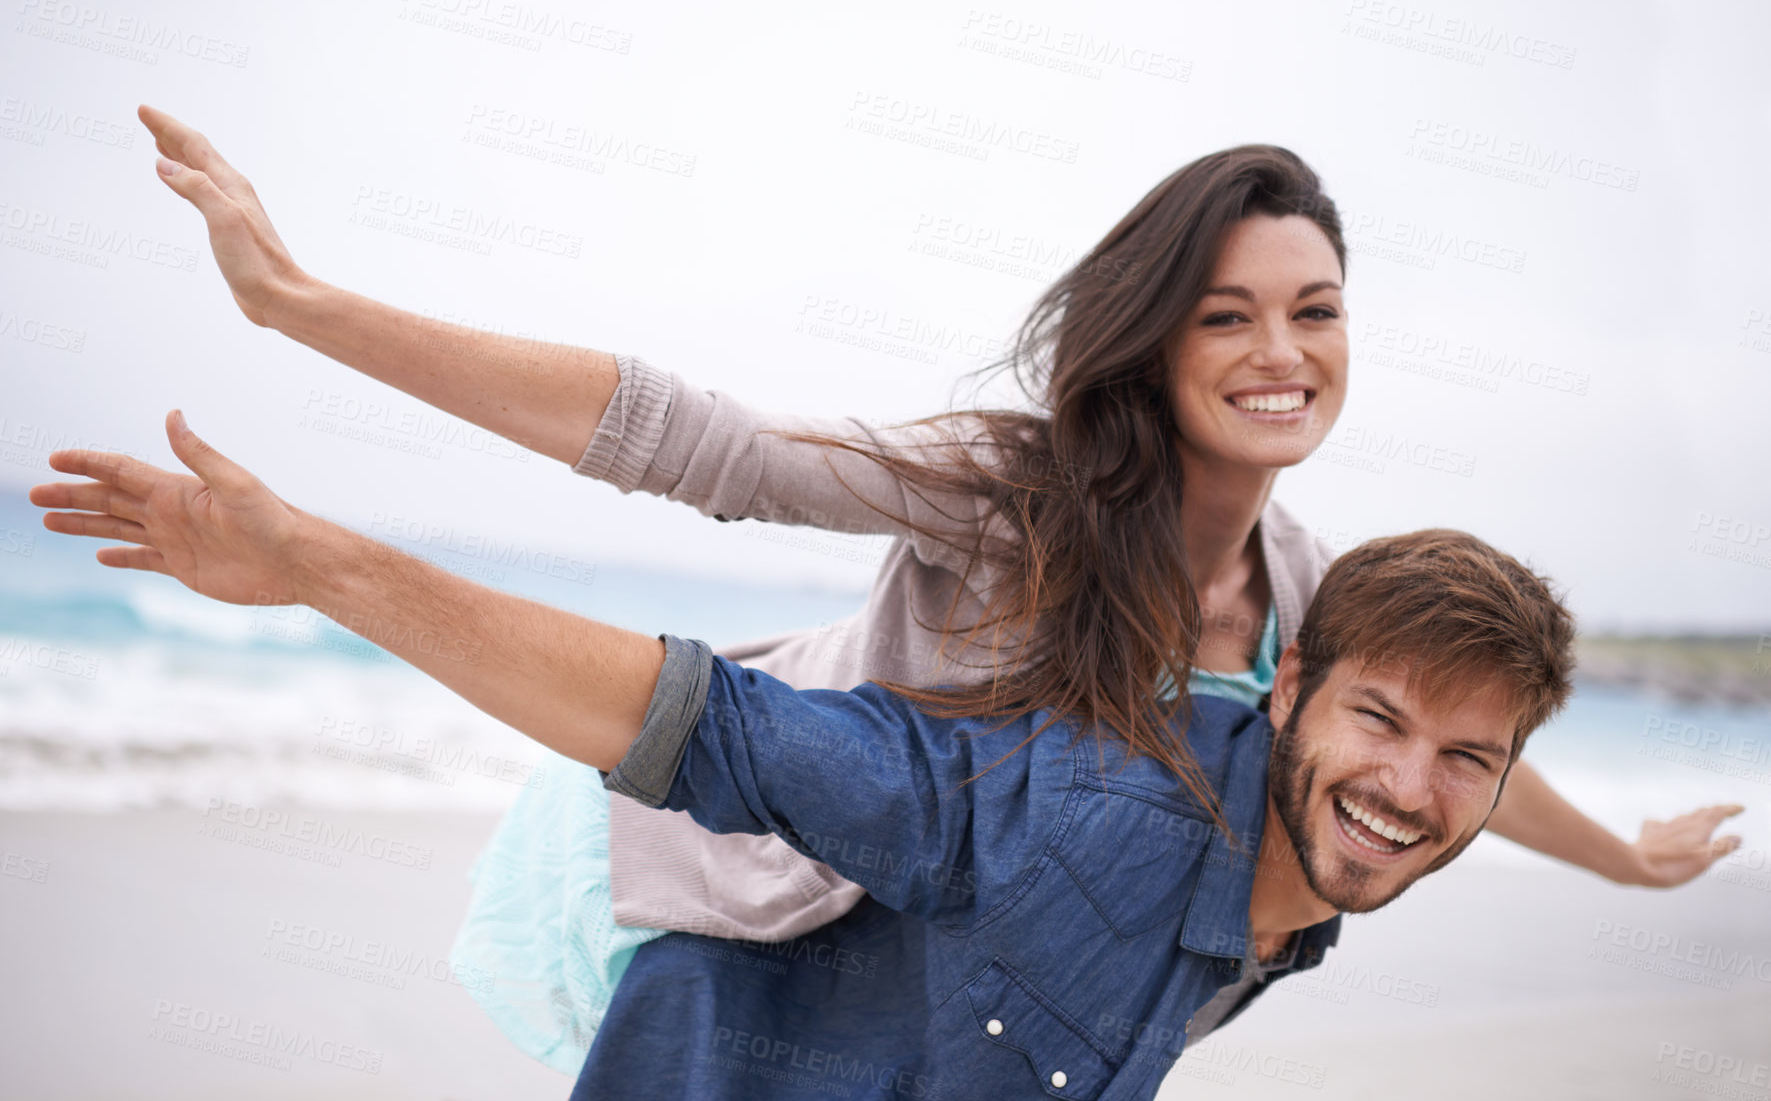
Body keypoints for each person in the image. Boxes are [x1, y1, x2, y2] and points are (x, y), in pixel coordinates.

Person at [131, 107, 1745, 1074]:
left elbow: (1437, 749)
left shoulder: (1311, 588)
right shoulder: (1015, 490)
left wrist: (1620, 861)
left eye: (1314, 312)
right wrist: (300, 307)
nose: (1280, 355)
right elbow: (694, 439)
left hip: (990, 988)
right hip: (770, 879)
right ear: (1155, 334)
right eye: (1227, 314)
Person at [30, 423, 1576, 1099]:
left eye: (1467, 758)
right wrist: (316, 564)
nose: (1410, 787)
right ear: (1294, 684)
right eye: (1379, 720)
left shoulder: (1299, 903)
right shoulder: (1086, 811)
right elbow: (707, 726)